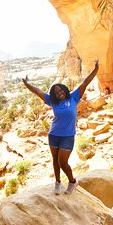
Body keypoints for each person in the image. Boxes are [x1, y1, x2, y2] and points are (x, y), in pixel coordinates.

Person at [22, 59, 99, 195]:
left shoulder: (74, 97)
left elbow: (85, 83)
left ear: (64, 89)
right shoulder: (53, 101)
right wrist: (27, 84)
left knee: (63, 162)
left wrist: (96, 69)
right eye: (56, 93)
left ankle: (72, 181)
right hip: (54, 134)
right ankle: (57, 182)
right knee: (55, 161)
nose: (59, 94)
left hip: (68, 136)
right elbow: (38, 92)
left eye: (60, 91)